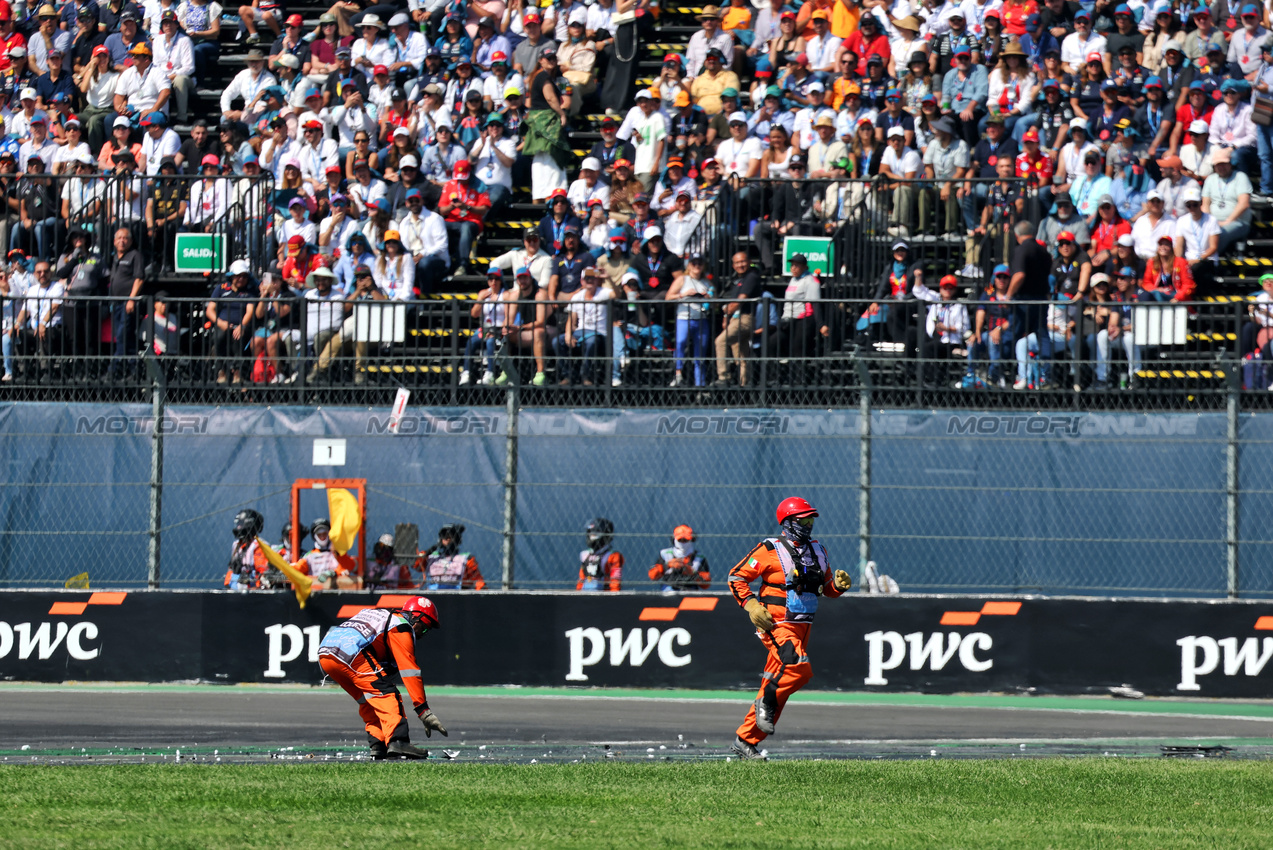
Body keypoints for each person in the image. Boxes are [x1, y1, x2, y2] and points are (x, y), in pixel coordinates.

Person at [727, 497, 850, 759]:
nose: (808, 524)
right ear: (787, 522)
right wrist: (751, 606)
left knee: (777, 679)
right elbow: (736, 576)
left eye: (810, 519)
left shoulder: (819, 550)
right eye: (802, 519)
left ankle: (745, 741)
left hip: (804, 625)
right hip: (775, 622)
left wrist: (838, 586)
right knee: (797, 667)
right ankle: (767, 701)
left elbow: (825, 589)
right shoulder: (768, 549)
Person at [317, 595, 447, 760]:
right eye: (426, 627)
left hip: (326, 653)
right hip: (351, 652)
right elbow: (410, 671)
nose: (423, 634)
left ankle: (378, 744)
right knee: (387, 694)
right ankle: (398, 741)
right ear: (415, 618)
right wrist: (423, 711)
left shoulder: (383, 617)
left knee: (369, 698)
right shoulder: (401, 626)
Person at [714, 251, 760, 387]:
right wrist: (725, 317)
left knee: (720, 341)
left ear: (749, 261)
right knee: (740, 352)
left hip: (745, 318)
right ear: (733, 265)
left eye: (743, 261)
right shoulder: (737, 280)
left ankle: (723, 376)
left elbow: (740, 300)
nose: (741, 265)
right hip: (735, 319)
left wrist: (726, 310)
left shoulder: (751, 276)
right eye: (737, 262)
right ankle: (744, 383)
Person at [293, 517, 362, 589]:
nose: (322, 536)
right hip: (315, 594)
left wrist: (334, 573)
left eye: (325, 533)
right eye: (319, 534)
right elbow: (298, 568)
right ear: (314, 536)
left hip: (336, 593)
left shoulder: (338, 553)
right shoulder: (310, 556)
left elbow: (351, 566)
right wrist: (285, 569)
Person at [416, 524, 486, 590]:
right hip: (432, 595)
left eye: (451, 536)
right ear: (441, 539)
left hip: (457, 597)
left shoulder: (466, 559)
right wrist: (432, 548)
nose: (448, 539)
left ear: (457, 539)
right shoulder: (431, 557)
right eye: (445, 536)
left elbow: (478, 581)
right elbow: (416, 564)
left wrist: (482, 594)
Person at [649, 524, 710, 592]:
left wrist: (693, 573)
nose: (683, 543)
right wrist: (666, 566)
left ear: (692, 539)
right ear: (674, 539)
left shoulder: (699, 558)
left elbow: (706, 585)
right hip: (669, 588)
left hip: (690, 589)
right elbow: (653, 576)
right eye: (680, 540)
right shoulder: (665, 554)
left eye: (685, 540)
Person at [223, 508, 267, 589]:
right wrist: (229, 582)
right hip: (237, 586)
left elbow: (263, 573)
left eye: (241, 524)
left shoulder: (258, 545)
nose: (238, 527)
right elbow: (231, 567)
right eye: (238, 524)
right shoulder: (236, 545)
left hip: (253, 588)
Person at [577, 516, 623, 591]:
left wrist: (613, 597)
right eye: (590, 533)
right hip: (585, 593)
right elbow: (581, 579)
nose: (591, 536)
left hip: (604, 595)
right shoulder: (585, 555)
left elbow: (615, 581)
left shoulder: (613, 556)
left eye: (595, 534)